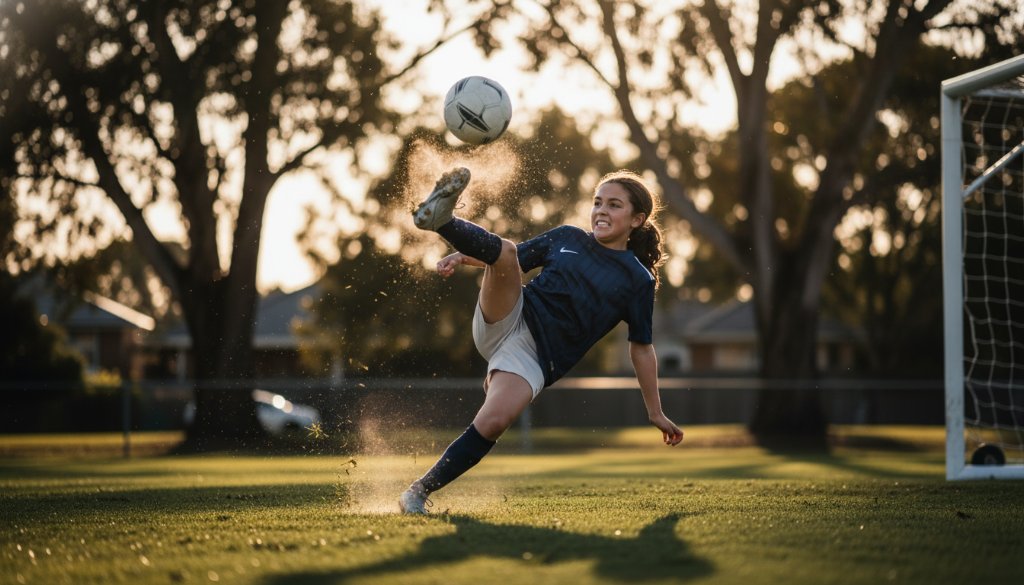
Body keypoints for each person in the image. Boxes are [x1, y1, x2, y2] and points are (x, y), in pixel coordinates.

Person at [398, 167, 684, 514]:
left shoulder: (637, 280)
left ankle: (416, 492)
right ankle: (442, 221)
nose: (601, 211)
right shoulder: (568, 237)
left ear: (637, 220)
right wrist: (463, 255)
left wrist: (655, 412)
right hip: (510, 315)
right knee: (503, 251)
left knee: (492, 423)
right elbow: (510, 259)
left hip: (534, 359)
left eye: (614, 205)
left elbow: (641, 346)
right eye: (597, 203)